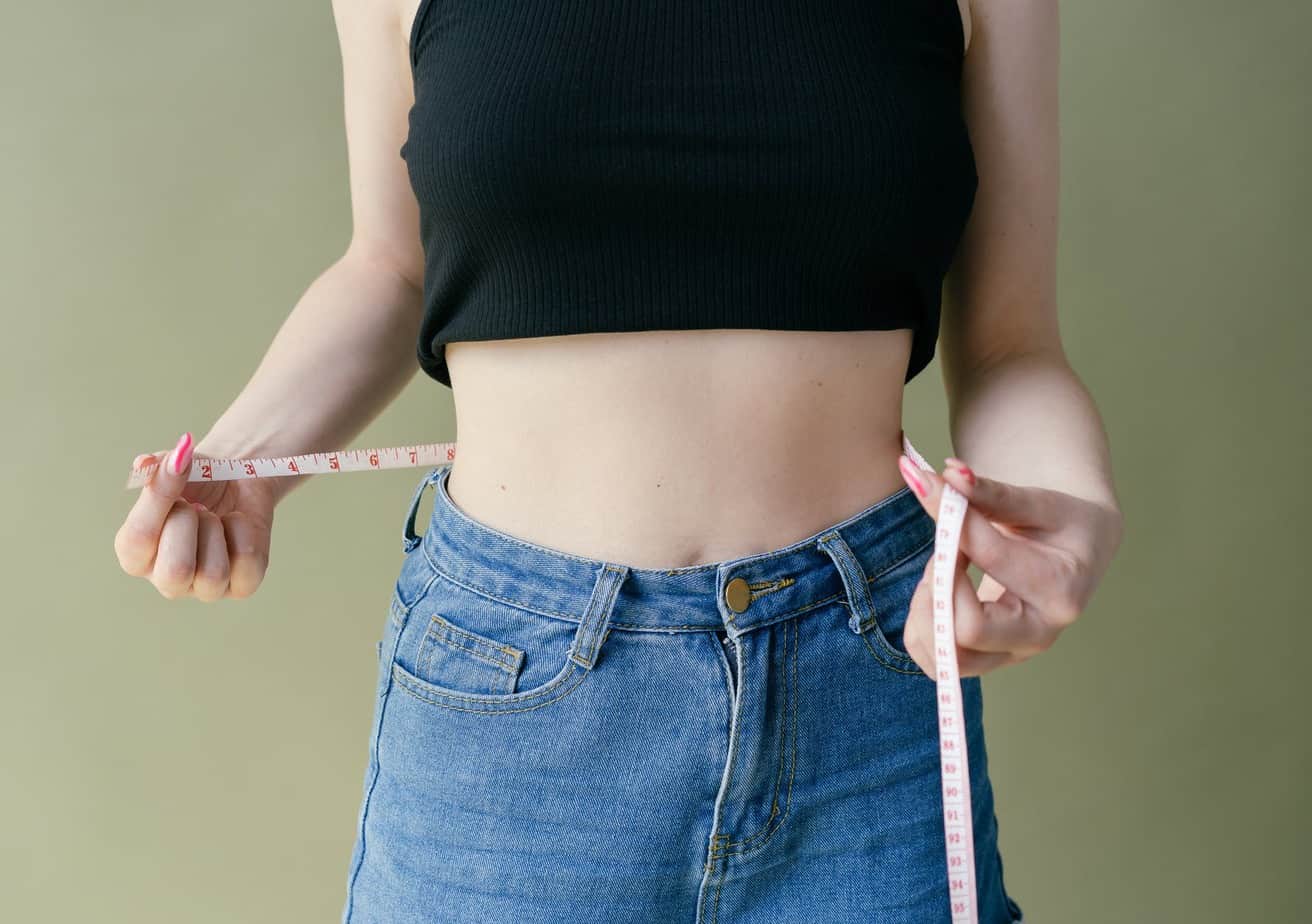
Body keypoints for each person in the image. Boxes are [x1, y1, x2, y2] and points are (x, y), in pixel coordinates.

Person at [113, 0, 1122, 920]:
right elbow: (389, 268)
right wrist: (246, 459)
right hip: (509, 692)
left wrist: (1071, 514)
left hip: (867, 677)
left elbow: (1010, 347)